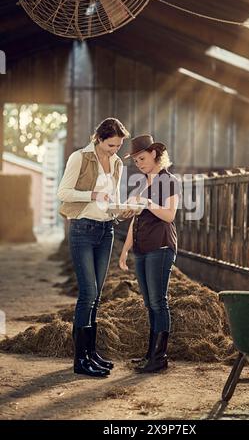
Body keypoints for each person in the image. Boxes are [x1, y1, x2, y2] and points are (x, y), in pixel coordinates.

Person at [57, 118, 134, 377]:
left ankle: (91, 354)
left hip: (106, 229)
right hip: (82, 230)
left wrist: (123, 210)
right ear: (99, 139)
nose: (116, 150)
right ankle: (80, 361)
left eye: (119, 146)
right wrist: (91, 195)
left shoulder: (117, 163)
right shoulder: (79, 158)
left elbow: (115, 198)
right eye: (112, 145)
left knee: (97, 295)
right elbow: (63, 193)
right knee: (87, 293)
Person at [119, 134, 181, 373]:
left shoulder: (169, 181)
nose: (139, 163)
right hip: (142, 250)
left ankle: (159, 357)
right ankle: (150, 355)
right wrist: (125, 251)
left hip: (161, 247)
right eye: (135, 161)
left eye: (142, 158)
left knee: (158, 302)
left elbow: (169, 216)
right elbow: (136, 222)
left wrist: (145, 203)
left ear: (155, 154)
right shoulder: (144, 184)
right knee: (149, 303)